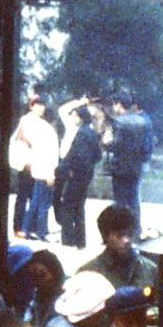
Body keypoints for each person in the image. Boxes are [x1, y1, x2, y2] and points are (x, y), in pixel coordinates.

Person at [54, 99, 104, 248]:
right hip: (86, 175)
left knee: (67, 207)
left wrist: (70, 169)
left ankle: (68, 240)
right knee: (79, 208)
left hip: (75, 175)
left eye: (75, 115)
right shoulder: (92, 133)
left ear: (81, 117)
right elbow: (98, 155)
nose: (72, 118)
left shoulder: (81, 134)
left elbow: (78, 156)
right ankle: (80, 240)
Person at [79, 203, 159, 294]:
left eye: (130, 234)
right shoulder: (89, 273)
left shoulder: (150, 269)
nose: (126, 240)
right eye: (120, 236)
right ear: (105, 236)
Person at [11, 96, 61, 241]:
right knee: (25, 196)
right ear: (31, 106)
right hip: (29, 163)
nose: (41, 108)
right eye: (38, 105)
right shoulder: (26, 120)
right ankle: (20, 226)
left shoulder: (42, 123)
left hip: (38, 163)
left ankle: (31, 227)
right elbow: (28, 140)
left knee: (35, 198)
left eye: (42, 105)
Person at [102, 97, 152, 231]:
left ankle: (121, 230)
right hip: (136, 166)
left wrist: (105, 144)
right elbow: (146, 146)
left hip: (120, 167)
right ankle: (136, 229)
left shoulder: (118, 122)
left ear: (119, 105)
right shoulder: (142, 121)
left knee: (120, 201)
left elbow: (116, 144)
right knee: (134, 199)